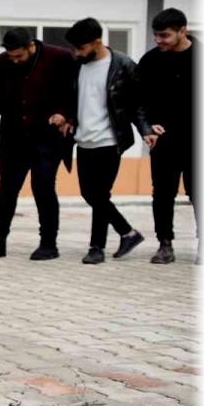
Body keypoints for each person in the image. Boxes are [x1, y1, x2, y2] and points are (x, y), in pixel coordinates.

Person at [0, 28, 76, 260]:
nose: (15, 60)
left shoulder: (59, 57)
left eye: (19, 56)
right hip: (14, 137)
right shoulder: (3, 61)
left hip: (46, 137)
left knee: (43, 187)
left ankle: (48, 244)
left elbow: (73, 92)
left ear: (31, 46)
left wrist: (64, 114)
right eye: (11, 56)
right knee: (7, 189)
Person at [63, 17, 151, 265]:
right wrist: (67, 117)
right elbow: (74, 97)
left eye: (81, 48)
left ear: (97, 41)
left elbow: (137, 103)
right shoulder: (78, 65)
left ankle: (96, 247)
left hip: (110, 141)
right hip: (83, 140)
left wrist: (145, 129)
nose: (77, 53)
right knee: (90, 194)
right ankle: (128, 233)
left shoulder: (122, 65)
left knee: (99, 194)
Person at [139, 8, 197, 264]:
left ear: (182, 31)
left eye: (164, 35)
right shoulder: (150, 61)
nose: (158, 40)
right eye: (156, 35)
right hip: (164, 141)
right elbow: (138, 100)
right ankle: (165, 244)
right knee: (162, 193)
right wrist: (148, 125)